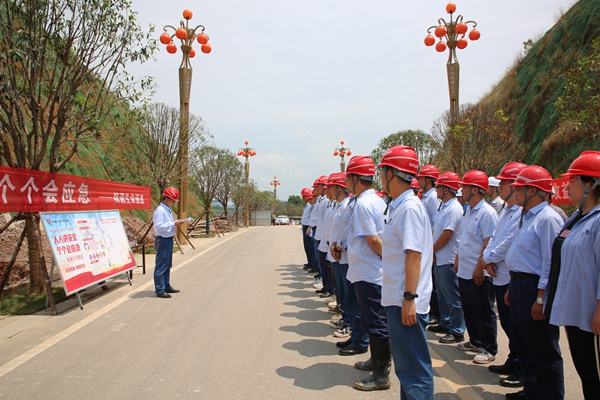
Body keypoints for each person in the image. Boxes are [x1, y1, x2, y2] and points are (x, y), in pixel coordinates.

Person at [504, 165, 564, 400]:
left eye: (520, 188)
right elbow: (520, 255)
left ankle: (549, 395)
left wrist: (541, 297)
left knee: (544, 349)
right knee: (526, 344)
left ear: (533, 191)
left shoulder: (548, 219)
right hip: (520, 284)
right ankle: (531, 391)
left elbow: (550, 262)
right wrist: (511, 287)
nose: (515, 192)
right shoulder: (526, 217)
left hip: (535, 287)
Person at [379, 145, 434, 399]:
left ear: (390, 174)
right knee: (407, 369)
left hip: (406, 301)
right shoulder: (400, 205)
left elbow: (414, 255)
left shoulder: (409, 208)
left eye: (383, 171)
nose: (381, 177)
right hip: (398, 298)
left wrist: (409, 300)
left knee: (414, 370)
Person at [546, 151, 600, 400]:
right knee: (587, 374)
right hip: (577, 313)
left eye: (572, 180)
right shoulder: (579, 218)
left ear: (590, 184)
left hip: (592, 316)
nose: (566, 185)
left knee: (595, 376)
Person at [343, 155, 390, 391]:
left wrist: (389, 261)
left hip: (369, 272)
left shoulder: (362, 204)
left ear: (354, 178)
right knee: (375, 321)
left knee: (377, 322)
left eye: (348, 178)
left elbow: (373, 239)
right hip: (371, 271)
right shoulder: (379, 201)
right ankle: (377, 360)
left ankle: (381, 374)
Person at [482, 162, 527, 389]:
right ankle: (513, 360)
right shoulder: (507, 211)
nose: (500, 186)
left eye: (505, 182)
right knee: (510, 325)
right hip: (498, 273)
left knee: (517, 327)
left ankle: (521, 368)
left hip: (510, 275)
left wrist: (489, 258)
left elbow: (509, 242)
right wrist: (488, 258)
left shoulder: (520, 212)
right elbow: (495, 238)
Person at [455, 170, 499, 364]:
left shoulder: (487, 213)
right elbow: (463, 238)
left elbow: (489, 241)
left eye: (464, 186)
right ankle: (475, 340)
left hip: (477, 271)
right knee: (469, 308)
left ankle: (489, 348)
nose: (462, 190)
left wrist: (479, 266)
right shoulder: (468, 210)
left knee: (482, 310)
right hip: (464, 269)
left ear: (474, 190)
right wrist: (457, 259)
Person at [428, 172, 465, 344]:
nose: (437, 191)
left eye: (439, 187)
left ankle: (457, 329)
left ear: (447, 189)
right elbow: (437, 231)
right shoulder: (443, 207)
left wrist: (432, 250)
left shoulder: (454, 208)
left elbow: (447, 235)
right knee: (442, 294)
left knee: (452, 296)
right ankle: (445, 322)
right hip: (439, 257)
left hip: (448, 257)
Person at [416, 164, 441, 326]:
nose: (419, 181)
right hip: (426, 247)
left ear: (429, 180)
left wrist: (430, 248)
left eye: (422, 178)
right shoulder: (425, 197)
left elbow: (435, 224)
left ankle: (436, 313)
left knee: (433, 283)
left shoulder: (432, 198)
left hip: (429, 247)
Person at [153, 187, 184, 298]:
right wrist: (173, 224)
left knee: (167, 265)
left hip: (168, 239)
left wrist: (175, 223)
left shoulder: (167, 210)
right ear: (166, 198)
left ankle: (166, 285)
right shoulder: (160, 211)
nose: (173, 203)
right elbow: (158, 227)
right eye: (172, 200)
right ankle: (160, 289)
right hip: (162, 240)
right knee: (161, 266)